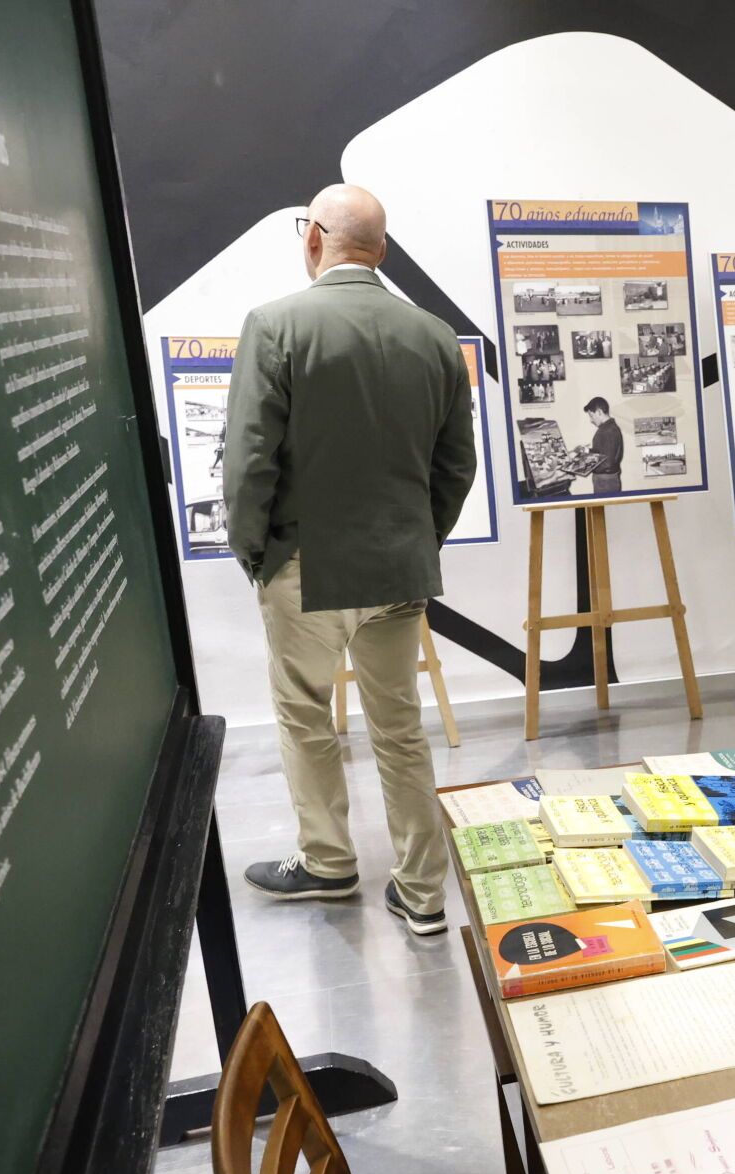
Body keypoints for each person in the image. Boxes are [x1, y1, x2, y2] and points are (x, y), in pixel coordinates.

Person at [224, 184, 476, 936]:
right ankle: (423, 891)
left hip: (304, 561)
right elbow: (454, 465)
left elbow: (248, 463)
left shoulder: (274, 326)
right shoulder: (433, 334)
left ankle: (330, 863)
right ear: (382, 251)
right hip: (399, 566)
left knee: (306, 717)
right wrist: (419, 536)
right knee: (400, 726)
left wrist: (256, 555)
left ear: (313, 240)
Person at [582, 396, 623, 494]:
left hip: (605, 481)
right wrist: (588, 452)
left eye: (591, 415)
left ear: (599, 412)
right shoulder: (609, 428)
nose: (591, 420)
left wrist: (586, 464)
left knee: (604, 509)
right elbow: (604, 453)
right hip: (607, 480)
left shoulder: (608, 430)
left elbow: (607, 462)